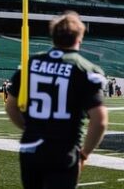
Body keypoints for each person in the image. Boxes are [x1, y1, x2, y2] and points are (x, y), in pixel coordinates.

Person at [6, 11, 108, 189]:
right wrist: (84, 155)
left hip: (30, 148)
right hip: (62, 150)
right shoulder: (84, 69)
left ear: (53, 37)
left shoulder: (31, 63)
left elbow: (11, 107)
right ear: (80, 37)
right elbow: (100, 121)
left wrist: (33, 128)